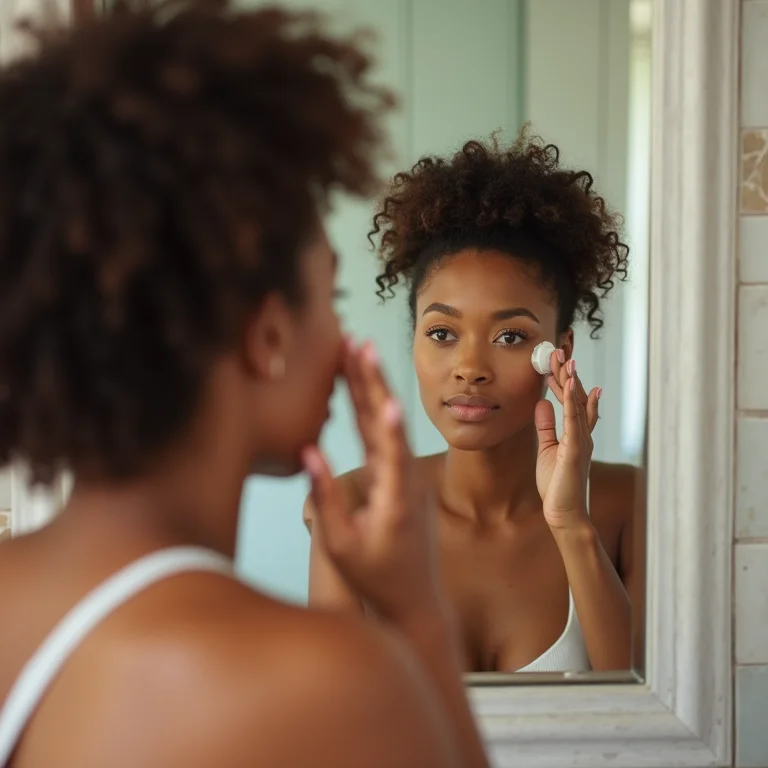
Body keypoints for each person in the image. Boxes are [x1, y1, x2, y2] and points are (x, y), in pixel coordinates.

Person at [0, 2, 496, 766]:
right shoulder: (320, 685)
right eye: (330, 299)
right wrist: (418, 618)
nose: (340, 338)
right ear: (267, 336)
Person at [306, 133, 642, 674]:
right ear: (414, 340)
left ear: (561, 353)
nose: (470, 368)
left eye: (510, 336)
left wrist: (570, 523)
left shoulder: (628, 506)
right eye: (441, 333)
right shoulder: (350, 509)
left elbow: (648, 721)